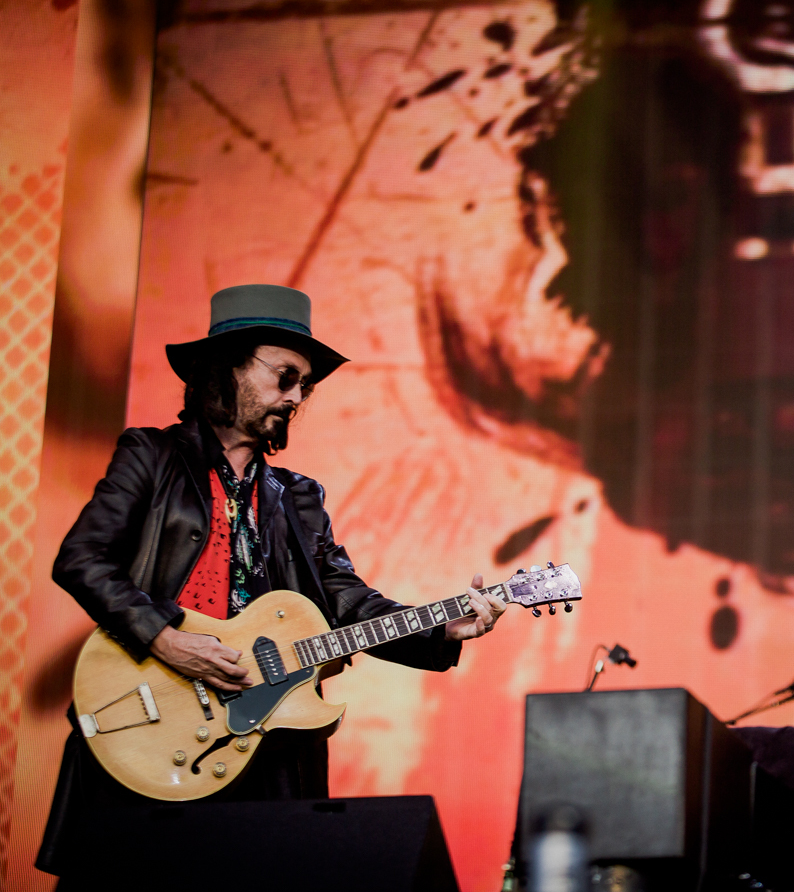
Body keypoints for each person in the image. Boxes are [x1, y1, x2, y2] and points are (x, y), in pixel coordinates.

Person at [36, 283, 507, 876]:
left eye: (305, 385)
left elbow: (346, 601)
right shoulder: (151, 456)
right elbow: (81, 559)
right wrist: (167, 639)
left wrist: (441, 628)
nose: (297, 396)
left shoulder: (299, 497)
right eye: (286, 376)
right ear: (225, 369)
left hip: (268, 750)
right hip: (151, 721)